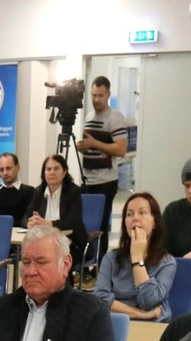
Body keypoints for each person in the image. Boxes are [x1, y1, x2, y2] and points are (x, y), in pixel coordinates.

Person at [94, 193, 177, 323]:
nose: (135, 218)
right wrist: (140, 314)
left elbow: (149, 302)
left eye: (142, 212)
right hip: (116, 323)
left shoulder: (167, 262)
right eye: (129, 214)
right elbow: (99, 299)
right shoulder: (111, 258)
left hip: (152, 325)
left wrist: (137, 260)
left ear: (155, 222)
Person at [77, 76, 128, 262]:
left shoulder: (115, 118)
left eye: (100, 95)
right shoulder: (89, 117)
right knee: (84, 225)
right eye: (93, 95)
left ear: (108, 95)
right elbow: (92, 145)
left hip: (105, 181)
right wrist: (84, 147)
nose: (96, 99)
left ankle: (100, 266)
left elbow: (121, 149)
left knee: (100, 226)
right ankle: (86, 263)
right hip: (87, 179)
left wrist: (94, 144)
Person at [23, 154, 86, 262]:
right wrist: (30, 223)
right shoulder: (39, 191)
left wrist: (48, 224)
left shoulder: (73, 191)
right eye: (48, 169)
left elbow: (73, 221)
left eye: (56, 169)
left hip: (70, 244)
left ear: (64, 172)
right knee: (29, 257)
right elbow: (26, 217)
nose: (52, 172)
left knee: (51, 258)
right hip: (42, 243)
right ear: (44, 173)